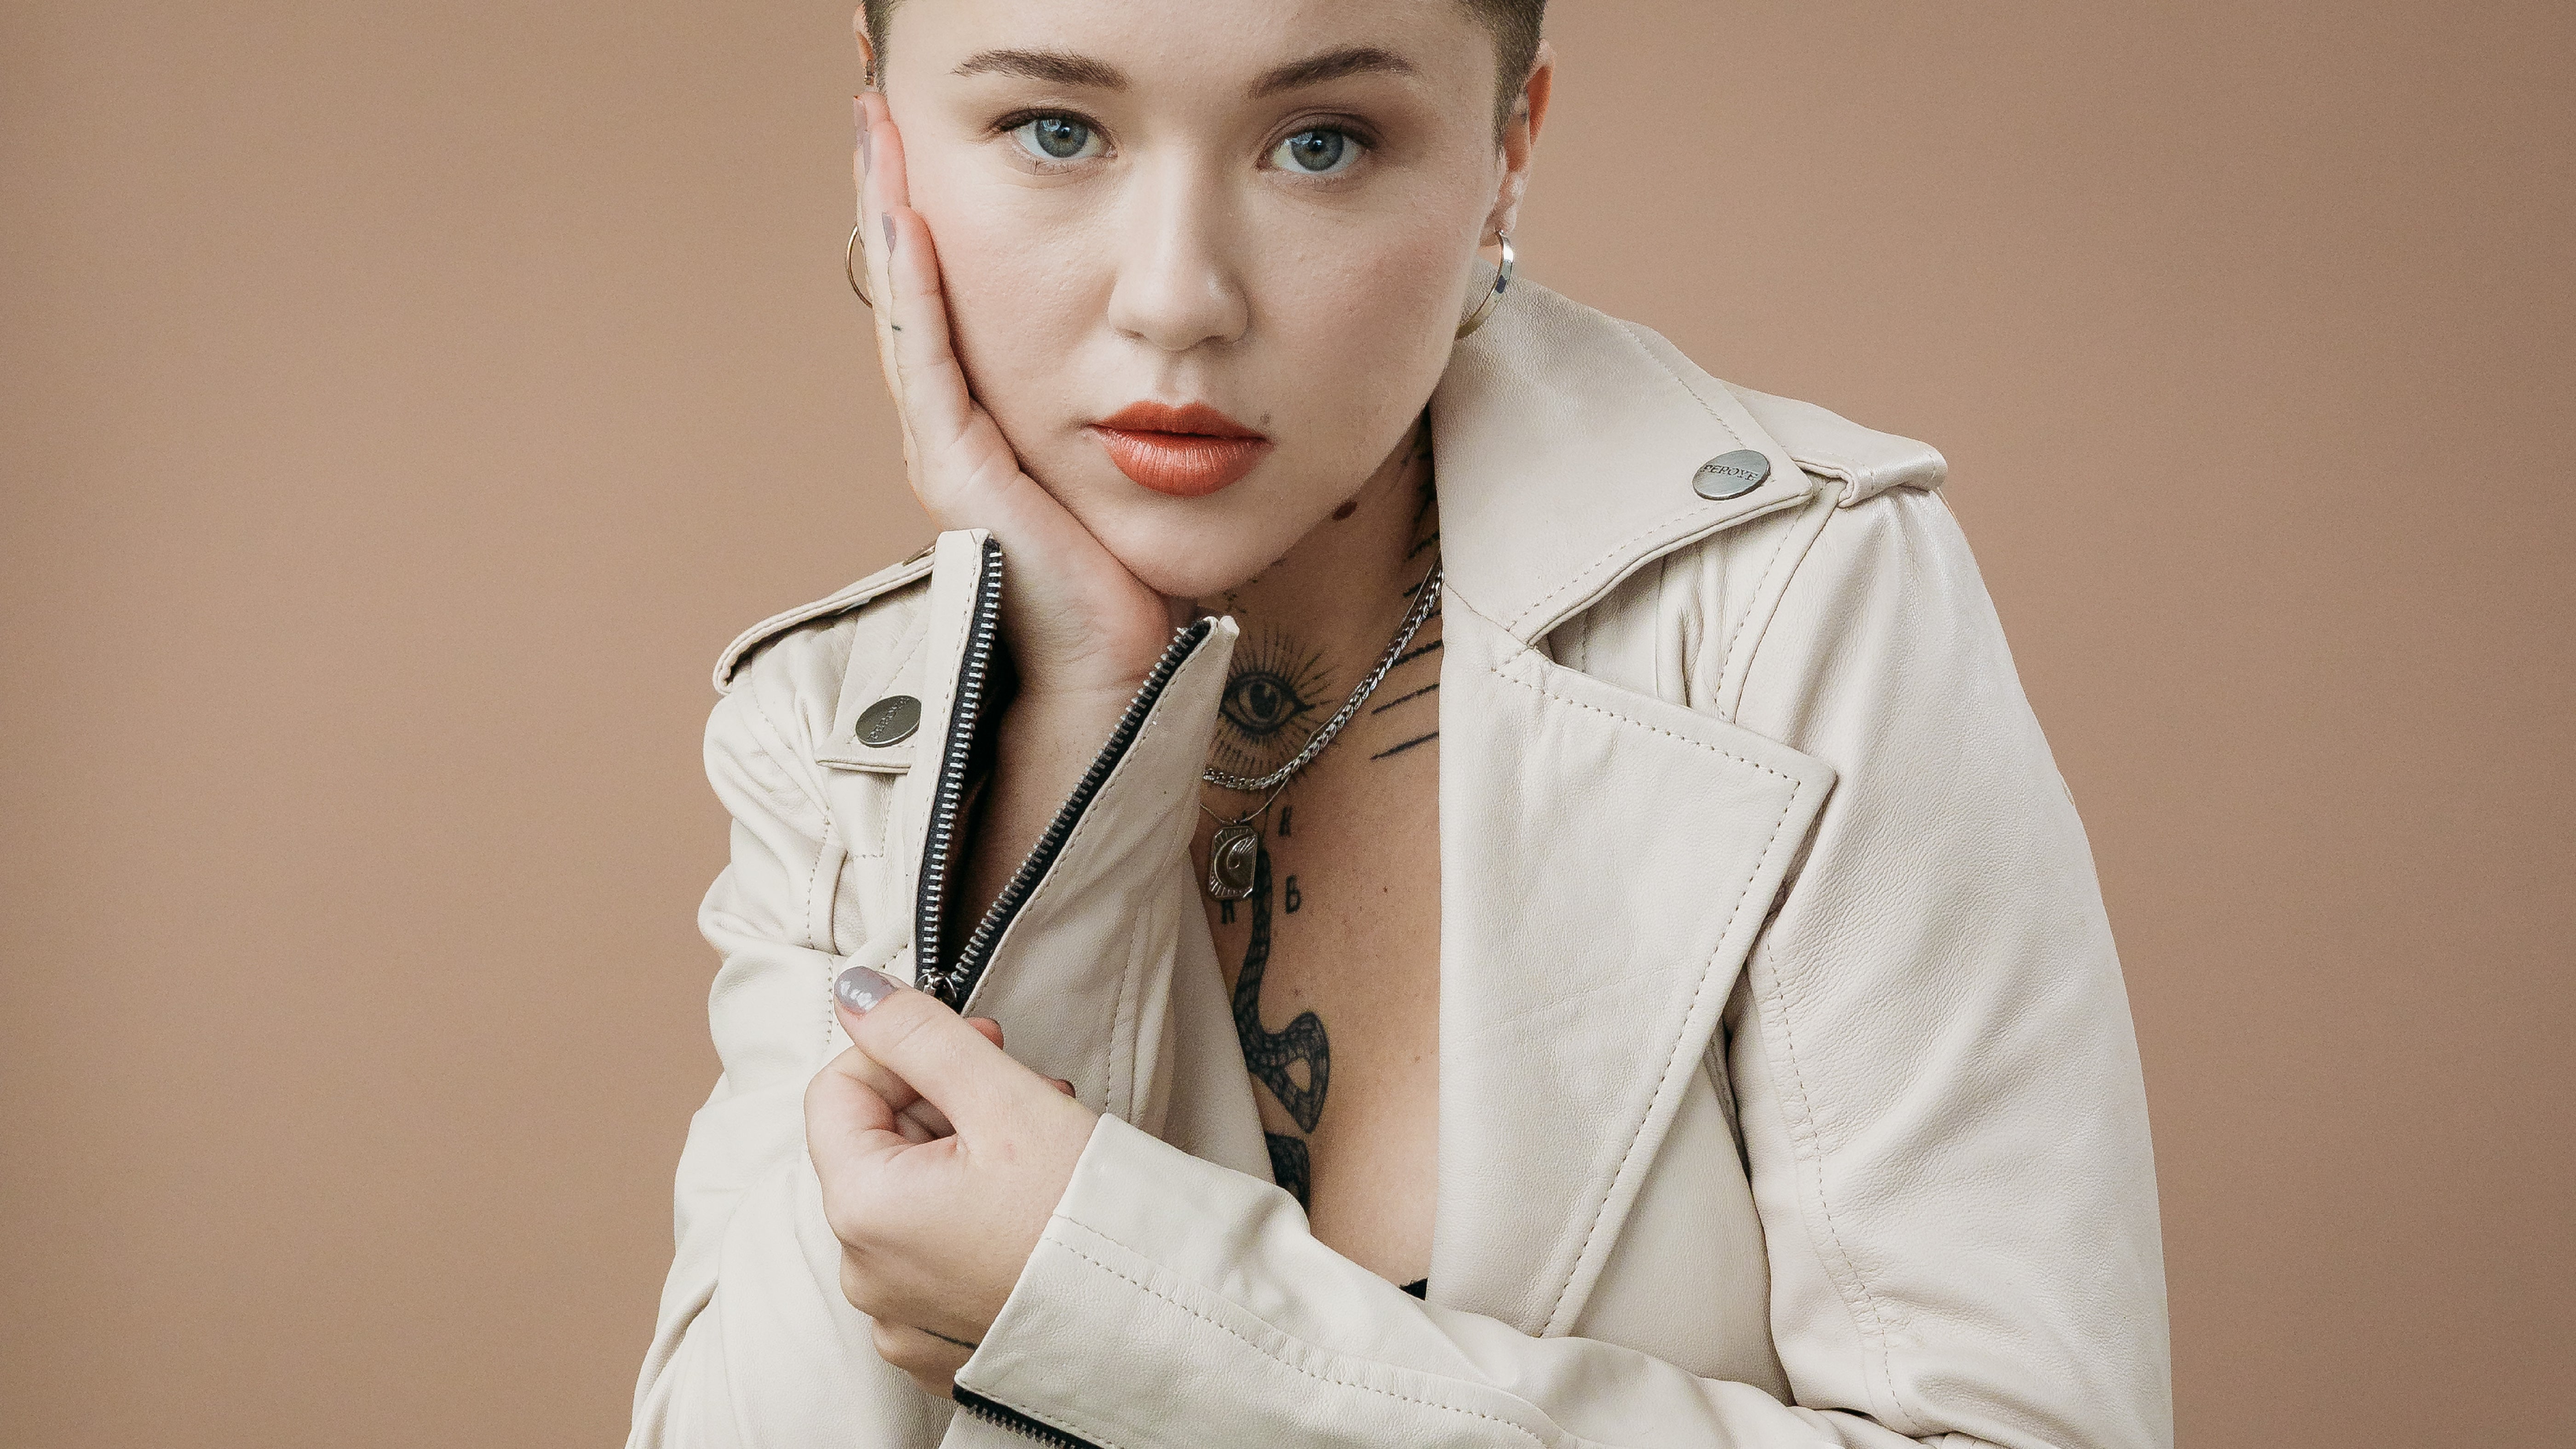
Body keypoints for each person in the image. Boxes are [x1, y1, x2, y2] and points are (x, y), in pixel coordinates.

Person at [628, 2, 2171, 1445]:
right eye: (1054, 130)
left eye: (1321, 143)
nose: (1176, 297)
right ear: (883, 138)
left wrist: (1129, 1303)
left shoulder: (1796, 609)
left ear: (1507, 151)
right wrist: (1052, 740)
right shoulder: (842, 731)